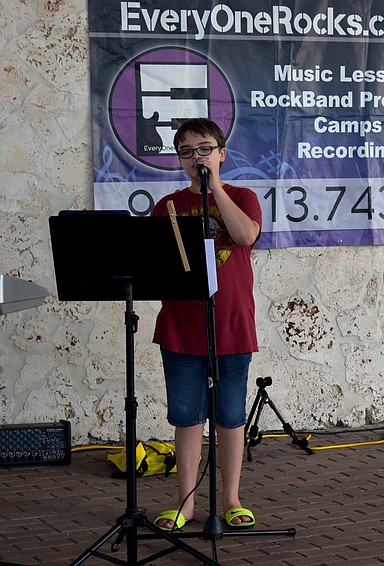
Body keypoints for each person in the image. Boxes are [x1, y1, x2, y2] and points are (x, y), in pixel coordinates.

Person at [151, 118, 262, 529]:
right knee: (186, 415)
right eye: (186, 151)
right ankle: (185, 503)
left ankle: (231, 499)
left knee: (231, 416)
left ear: (221, 153)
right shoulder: (169, 206)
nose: (196, 157)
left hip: (231, 325)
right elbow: (157, 265)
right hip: (181, 326)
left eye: (204, 148)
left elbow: (245, 236)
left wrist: (213, 188)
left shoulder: (242, 195)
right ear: (178, 160)